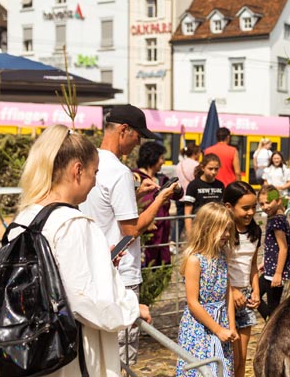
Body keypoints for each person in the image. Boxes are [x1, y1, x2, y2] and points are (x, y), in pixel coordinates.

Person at [11, 124, 151, 377]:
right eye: (94, 172)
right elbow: (88, 303)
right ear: (78, 170)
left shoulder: (23, 218)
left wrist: (103, 264)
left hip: (33, 351)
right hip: (74, 356)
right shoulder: (75, 225)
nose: (95, 181)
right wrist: (132, 308)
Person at [80, 104, 178, 366]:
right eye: (138, 136)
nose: (139, 143)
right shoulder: (120, 172)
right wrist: (160, 198)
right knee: (121, 356)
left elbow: (105, 211)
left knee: (98, 355)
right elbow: (131, 230)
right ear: (124, 130)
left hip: (94, 267)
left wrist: (136, 195)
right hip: (121, 272)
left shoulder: (89, 164)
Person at [176, 202, 238, 377]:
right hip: (200, 326)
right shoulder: (195, 261)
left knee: (222, 368)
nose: (227, 234)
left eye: (229, 229)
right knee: (201, 369)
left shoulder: (222, 256)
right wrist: (217, 329)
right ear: (207, 228)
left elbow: (228, 293)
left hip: (221, 321)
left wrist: (231, 326)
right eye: (223, 230)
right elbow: (193, 302)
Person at [223, 181, 261, 377]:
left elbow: (252, 264)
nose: (251, 212)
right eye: (245, 208)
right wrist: (231, 290)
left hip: (245, 296)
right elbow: (218, 267)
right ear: (229, 207)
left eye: (254, 207)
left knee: (243, 357)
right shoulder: (223, 233)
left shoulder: (255, 232)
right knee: (232, 357)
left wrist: (255, 290)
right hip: (226, 296)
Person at [133, 141, 183, 266]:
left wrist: (176, 188)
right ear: (153, 157)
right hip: (145, 237)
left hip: (163, 238)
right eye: (162, 157)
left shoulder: (162, 179)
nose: (163, 161)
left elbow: (179, 195)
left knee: (163, 272)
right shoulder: (135, 177)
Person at [257, 185, 290, 321]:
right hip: (270, 269)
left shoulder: (276, 221)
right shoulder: (276, 218)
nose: (265, 206)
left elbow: (283, 248)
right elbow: (272, 246)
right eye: (261, 203)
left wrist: (278, 274)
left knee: (272, 307)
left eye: (268, 202)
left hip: (274, 273)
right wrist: (264, 262)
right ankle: (272, 322)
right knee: (254, 296)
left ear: (278, 201)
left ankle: (272, 324)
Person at [182, 153, 225, 235]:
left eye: (216, 169)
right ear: (202, 167)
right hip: (199, 227)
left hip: (217, 227)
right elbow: (187, 212)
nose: (213, 172)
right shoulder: (193, 185)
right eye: (210, 169)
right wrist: (190, 233)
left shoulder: (220, 185)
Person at [175, 144, 201, 241]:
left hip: (179, 195)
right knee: (192, 219)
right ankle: (192, 239)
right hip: (191, 196)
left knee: (179, 221)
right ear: (195, 153)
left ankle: (174, 241)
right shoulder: (196, 165)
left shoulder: (179, 164)